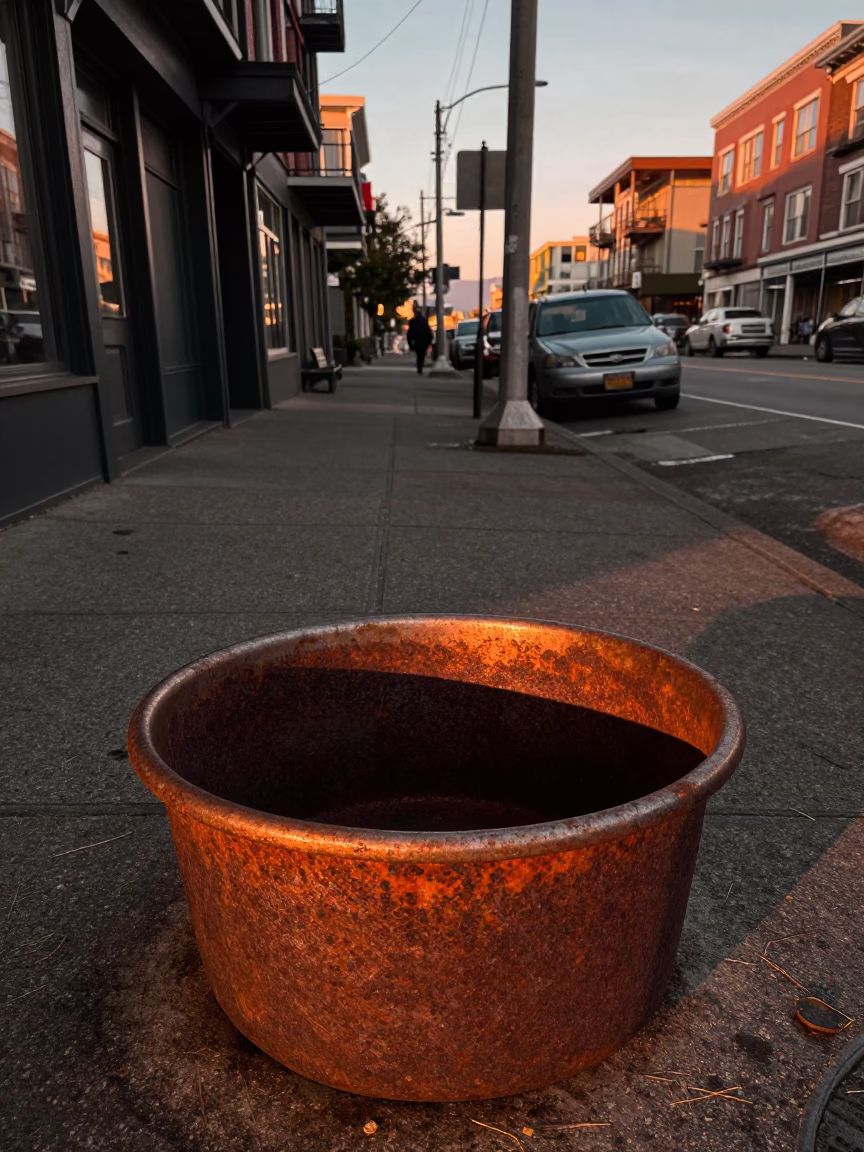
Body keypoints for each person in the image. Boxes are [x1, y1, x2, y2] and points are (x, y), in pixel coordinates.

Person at [406, 303, 433, 375]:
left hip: (418, 341)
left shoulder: (413, 321)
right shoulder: (424, 321)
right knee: (422, 355)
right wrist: (430, 340)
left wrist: (410, 344)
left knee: (419, 355)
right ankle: (420, 367)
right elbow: (428, 331)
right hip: (423, 341)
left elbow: (409, 333)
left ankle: (419, 367)